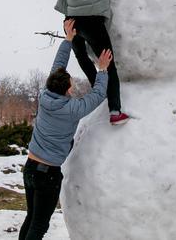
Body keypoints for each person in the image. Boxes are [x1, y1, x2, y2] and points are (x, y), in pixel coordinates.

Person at [19, 19, 112, 240]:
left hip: (30, 168)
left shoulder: (44, 95)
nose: (72, 83)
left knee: (31, 217)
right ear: (67, 89)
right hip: (47, 175)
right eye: (70, 82)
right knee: (39, 225)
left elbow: (57, 66)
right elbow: (98, 95)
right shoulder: (72, 109)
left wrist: (68, 39)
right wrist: (103, 70)